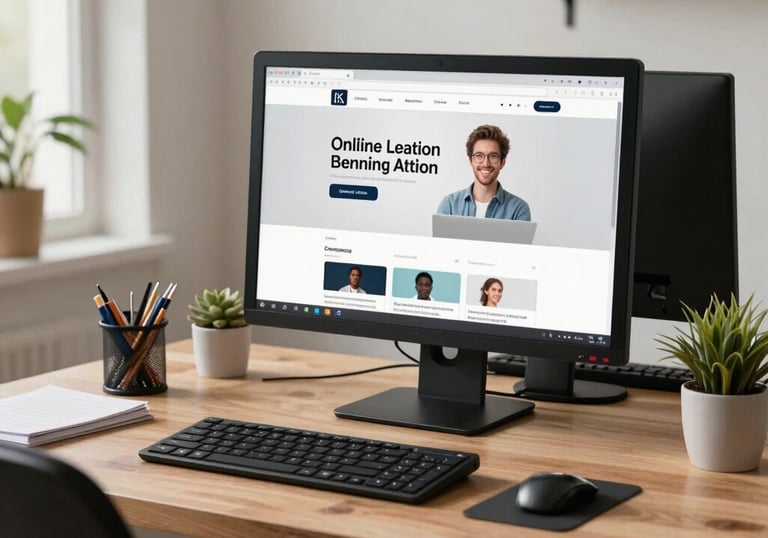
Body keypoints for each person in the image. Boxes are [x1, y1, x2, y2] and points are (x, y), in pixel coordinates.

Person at [437, 124, 531, 220]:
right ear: (471, 161)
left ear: (502, 162)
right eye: (479, 155)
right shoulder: (450, 205)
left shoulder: (518, 209)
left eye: (493, 156)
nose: (486, 164)